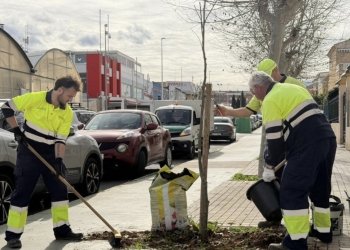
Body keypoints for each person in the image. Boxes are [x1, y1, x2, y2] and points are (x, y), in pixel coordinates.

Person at [246, 71, 336, 250]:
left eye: (252, 92)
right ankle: (323, 232)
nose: (253, 96)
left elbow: (274, 140)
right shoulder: (292, 88)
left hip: (307, 144)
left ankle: (295, 243)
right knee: (320, 187)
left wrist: (270, 166)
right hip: (327, 139)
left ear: (259, 87)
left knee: (292, 190)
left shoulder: (270, 100)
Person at [216, 58, 305, 228]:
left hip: (294, 141)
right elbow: (249, 110)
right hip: (279, 140)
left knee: (292, 185)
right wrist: (228, 111)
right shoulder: (263, 90)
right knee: (276, 181)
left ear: (276, 70)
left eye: (268, 75)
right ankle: (277, 217)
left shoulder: (293, 85)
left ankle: (294, 228)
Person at [1, 76, 83, 249]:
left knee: (60, 190)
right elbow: (7, 108)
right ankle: (13, 235)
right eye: (69, 95)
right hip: (29, 151)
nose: (70, 100)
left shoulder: (67, 112)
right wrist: (16, 130)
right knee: (23, 192)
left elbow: (61, 140)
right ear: (59, 89)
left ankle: (62, 230)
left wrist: (59, 161)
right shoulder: (35, 98)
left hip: (51, 153)